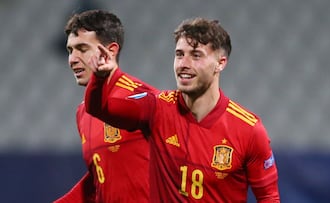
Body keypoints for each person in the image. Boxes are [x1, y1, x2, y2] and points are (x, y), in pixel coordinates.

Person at [85, 17, 280, 202]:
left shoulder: (249, 129)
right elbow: (100, 109)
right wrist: (101, 78)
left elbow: (268, 197)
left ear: (220, 63)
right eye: (179, 55)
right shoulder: (156, 108)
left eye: (196, 56)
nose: (183, 65)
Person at [53, 9, 158, 203]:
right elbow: (99, 183)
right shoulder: (83, 111)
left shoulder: (144, 99)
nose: (72, 59)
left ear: (111, 50)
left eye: (82, 49)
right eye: (70, 50)